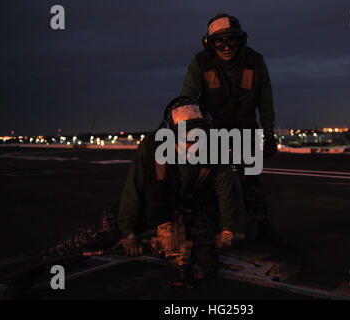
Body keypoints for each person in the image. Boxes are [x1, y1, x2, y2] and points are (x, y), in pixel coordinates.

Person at [44, 96, 242, 285]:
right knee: (98, 236)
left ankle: (179, 239)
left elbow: (225, 190)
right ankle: (52, 259)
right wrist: (128, 233)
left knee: (204, 269)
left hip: (193, 206)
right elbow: (133, 189)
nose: (194, 141)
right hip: (154, 200)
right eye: (186, 135)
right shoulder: (152, 147)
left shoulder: (216, 149)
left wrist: (227, 229)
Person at [180, 13, 286, 246]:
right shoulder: (200, 63)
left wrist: (269, 134)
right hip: (213, 131)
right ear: (209, 43)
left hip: (245, 129)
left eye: (232, 40)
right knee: (212, 180)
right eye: (220, 41)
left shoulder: (255, 61)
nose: (227, 46)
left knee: (251, 180)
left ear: (242, 40)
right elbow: (187, 99)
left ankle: (263, 226)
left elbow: (265, 100)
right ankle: (215, 226)